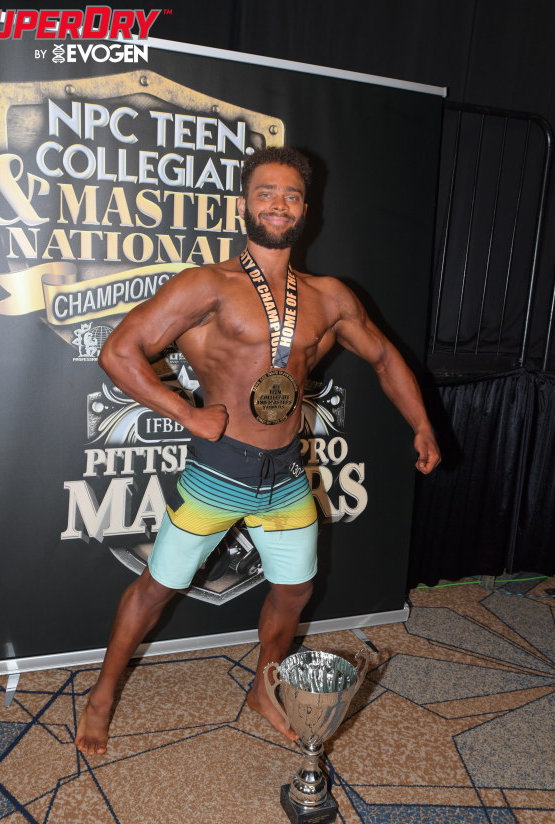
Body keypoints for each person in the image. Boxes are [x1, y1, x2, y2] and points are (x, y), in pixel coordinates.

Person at [75, 146, 441, 755]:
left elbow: (382, 356)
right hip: (218, 473)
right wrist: (187, 412)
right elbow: (118, 351)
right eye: (266, 192)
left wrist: (422, 424)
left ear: (306, 211)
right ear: (244, 205)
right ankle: (102, 695)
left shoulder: (328, 296)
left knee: (296, 590)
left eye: (291, 195)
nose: (279, 204)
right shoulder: (207, 285)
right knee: (157, 588)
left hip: (287, 474)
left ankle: (263, 687)